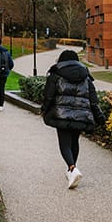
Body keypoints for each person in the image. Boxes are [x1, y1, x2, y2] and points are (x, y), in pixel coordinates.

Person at [40, 50, 106, 189]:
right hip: (81, 115)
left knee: (64, 144)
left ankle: (72, 168)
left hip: (62, 114)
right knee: (74, 142)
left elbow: (49, 96)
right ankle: (72, 171)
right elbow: (94, 100)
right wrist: (100, 117)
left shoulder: (56, 74)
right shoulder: (86, 76)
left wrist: (44, 109)